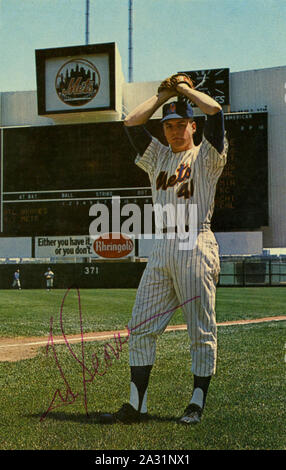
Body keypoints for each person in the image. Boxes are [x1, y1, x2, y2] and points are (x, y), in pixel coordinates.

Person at [100, 74, 228, 425]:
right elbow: (130, 123)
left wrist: (184, 91)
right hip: (162, 246)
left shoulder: (205, 156)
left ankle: (196, 403)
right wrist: (162, 97)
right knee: (140, 326)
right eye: (169, 125)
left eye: (181, 124)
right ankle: (136, 405)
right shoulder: (157, 156)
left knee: (199, 329)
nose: (173, 131)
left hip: (195, 243)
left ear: (192, 126)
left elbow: (215, 112)